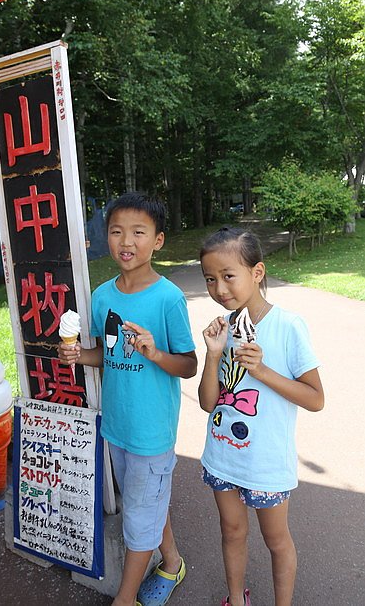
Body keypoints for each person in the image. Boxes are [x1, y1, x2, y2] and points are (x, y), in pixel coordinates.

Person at [59, 192, 197, 606]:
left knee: (139, 513)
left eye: (139, 232)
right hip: (117, 424)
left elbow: (188, 365)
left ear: (157, 241)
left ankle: (124, 598)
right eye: (117, 231)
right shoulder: (103, 296)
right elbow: (108, 352)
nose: (127, 241)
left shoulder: (168, 297)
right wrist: (79, 355)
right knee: (147, 501)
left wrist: (156, 353)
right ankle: (171, 560)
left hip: (152, 430)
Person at [198, 227, 324, 606]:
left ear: (257, 272)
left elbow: (316, 399)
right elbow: (208, 403)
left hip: (266, 463)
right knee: (232, 532)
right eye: (209, 279)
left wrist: (264, 371)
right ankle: (236, 599)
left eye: (228, 276)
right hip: (223, 455)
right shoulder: (224, 329)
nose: (219, 289)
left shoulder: (288, 326)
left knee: (276, 541)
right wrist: (214, 354)